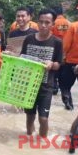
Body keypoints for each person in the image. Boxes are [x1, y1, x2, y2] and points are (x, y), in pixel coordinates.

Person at [20, 9, 62, 137]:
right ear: (37, 22)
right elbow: (23, 58)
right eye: (41, 22)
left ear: (52, 25)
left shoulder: (57, 42)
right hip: (29, 85)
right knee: (30, 117)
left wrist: (51, 64)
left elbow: (58, 64)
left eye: (47, 22)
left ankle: (42, 143)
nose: (43, 25)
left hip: (46, 87)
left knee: (43, 119)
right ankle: (28, 142)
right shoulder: (28, 39)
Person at [51, 6, 71, 95]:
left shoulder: (53, 23)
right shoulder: (70, 24)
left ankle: (54, 87)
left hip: (55, 49)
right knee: (63, 72)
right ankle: (63, 91)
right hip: (66, 51)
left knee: (54, 71)